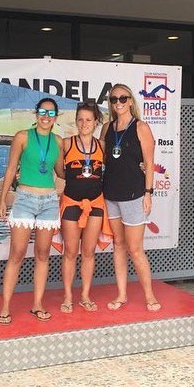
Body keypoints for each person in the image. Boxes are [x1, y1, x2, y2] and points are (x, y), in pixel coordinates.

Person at [0, 98, 64, 324]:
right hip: (25, 199)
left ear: (56, 116)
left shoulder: (58, 141)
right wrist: (3, 199)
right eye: (42, 112)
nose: (46, 116)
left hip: (49, 201)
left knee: (43, 255)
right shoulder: (22, 137)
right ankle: (5, 307)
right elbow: (10, 169)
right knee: (17, 253)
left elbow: (62, 172)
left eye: (51, 112)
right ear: (36, 114)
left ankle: (37, 304)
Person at [100, 84, 161, 311]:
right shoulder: (107, 128)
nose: (119, 102)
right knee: (118, 245)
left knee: (135, 249)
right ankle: (122, 294)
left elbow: (150, 163)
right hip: (111, 193)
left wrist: (148, 193)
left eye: (123, 98)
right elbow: (102, 159)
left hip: (134, 194)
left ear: (131, 101)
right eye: (114, 99)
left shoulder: (141, 127)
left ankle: (150, 296)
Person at [58, 101, 111, 312]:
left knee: (88, 252)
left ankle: (85, 295)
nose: (84, 123)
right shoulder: (66, 143)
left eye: (88, 120)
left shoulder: (102, 146)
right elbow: (59, 171)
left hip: (96, 204)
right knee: (70, 252)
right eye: (80, 119)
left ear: (96, 122)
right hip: (71, 203)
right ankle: (68, 297)